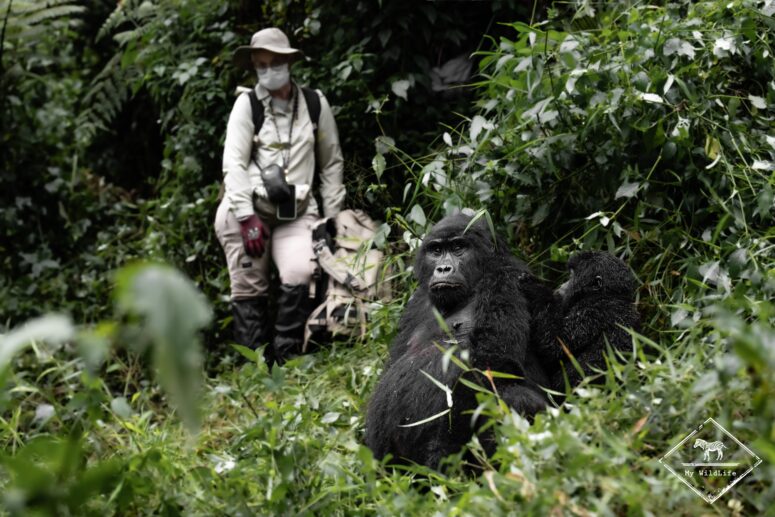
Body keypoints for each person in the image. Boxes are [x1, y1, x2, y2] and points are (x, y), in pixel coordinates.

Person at [215, 27, 345, 366]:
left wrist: (333, 219)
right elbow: (234, 163)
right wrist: (245, 217)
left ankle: (288, 363)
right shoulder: (246, 105)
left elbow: (331, 163)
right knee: (248, 286)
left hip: (296, 210)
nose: (268, 71)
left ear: (288, 63)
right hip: (248, 208)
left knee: (301, 272)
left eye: (274, 63)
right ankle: (255, 370)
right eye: (260, 65)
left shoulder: (315, 104)